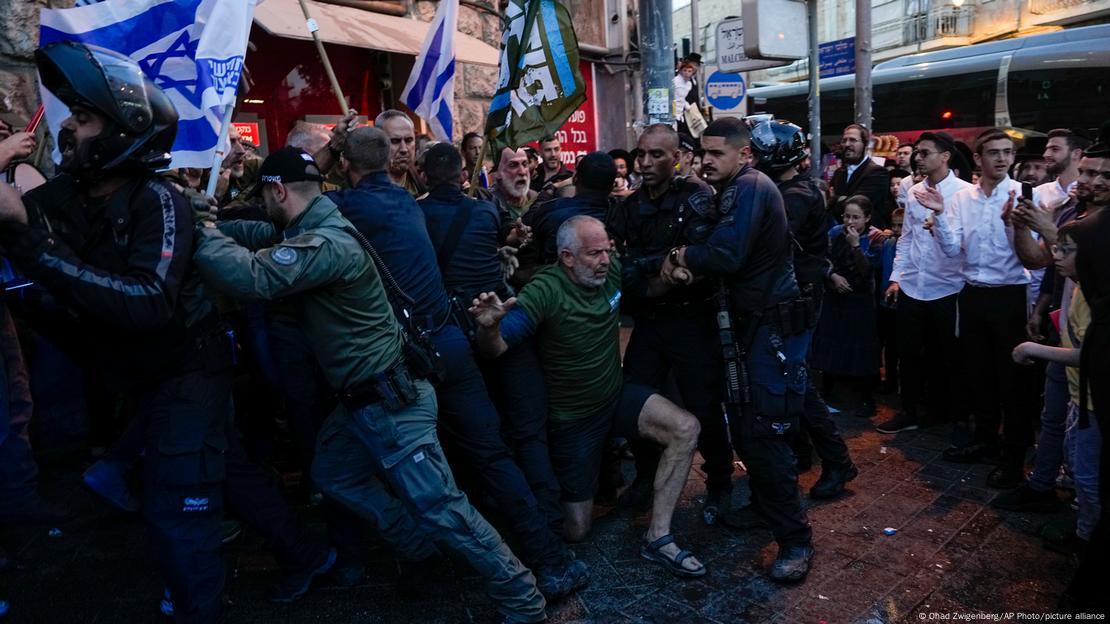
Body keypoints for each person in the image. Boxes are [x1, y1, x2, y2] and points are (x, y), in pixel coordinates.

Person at [190, 145, 548, 623]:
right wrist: (208, 221)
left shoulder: (329, 242)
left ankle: (522, 597)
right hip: (364, 400)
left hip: (390, 403)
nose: (267, 206)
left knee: (445, 509)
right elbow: (260, 232)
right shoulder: (313, 221)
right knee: (334, 474)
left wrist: (199, 234)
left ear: (277, 190)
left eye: (266, 195)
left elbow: (253, 275)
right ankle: (419, 547)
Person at [0, 41, 232, 622]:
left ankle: (197, 605)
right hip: (139, 383)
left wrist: (28, 238)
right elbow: (69, 294)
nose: (67, 130)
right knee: (198, 488)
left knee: (180, 513)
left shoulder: (160, 199)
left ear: (123, 129)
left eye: (82, 119)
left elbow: (147, 302)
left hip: (186, 375)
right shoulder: (71, 197)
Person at [329, 129, 589, 601]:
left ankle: (450, 556)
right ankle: (550, 556)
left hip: (419, 349)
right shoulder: (457, 209)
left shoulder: (366, 208)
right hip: (460, 339)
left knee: (434, 465)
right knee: (496, 450)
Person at [469, 215, 707, 579]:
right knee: (577, 530)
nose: (605, 260)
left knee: (685, 428)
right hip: (574, 420)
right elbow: (496, 348)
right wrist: (490, 328)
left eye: (607, 251)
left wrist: (669, 278)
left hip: (616, 396)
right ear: (567, 257)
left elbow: (645, 288)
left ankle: (659, 538)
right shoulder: (545, 289)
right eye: (594, 254)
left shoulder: (609, 273)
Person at [661, 117, 815, 582]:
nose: (705, 161)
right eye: (701, 153)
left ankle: (795, 540)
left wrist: (680, 257)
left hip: (770, 330)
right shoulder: (735, 189)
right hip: (751, 330)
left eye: (715, 154)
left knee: (765, 435)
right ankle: (770, 512)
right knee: (749, 431)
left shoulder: (750, 186)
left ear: (743, 154)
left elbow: (724, 254)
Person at [418, 143, 563, 539]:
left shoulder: (416, 214)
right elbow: (509, 237)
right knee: (528, 428)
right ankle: (549, 516)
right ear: (465, 173)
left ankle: (494, 517)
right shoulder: (483, 210)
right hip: (501, 317)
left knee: (478, 436)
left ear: (423, 174)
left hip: (455, 331)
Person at [606, 124, 732, 522]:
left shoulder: (695, 198)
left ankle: (719, 485)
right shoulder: (628, 207)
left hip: (692, 323)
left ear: (676, 157)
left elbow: (699, 261)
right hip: (650, 322)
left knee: (705, 407)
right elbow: (621, 270)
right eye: (641, 154)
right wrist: (660, 270)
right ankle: (645, 476)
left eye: (656, 155)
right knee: (636, 402)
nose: (644, 163)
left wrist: (658, 272)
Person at [923, 128, 1042, 488]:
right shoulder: (963, 198)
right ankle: (985, 440)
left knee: (1013, 381)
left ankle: (1013, 456)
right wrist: (940, 216)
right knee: (979, 374)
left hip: (1010, 294)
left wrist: (1011, 225)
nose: (1003, 158)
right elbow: (951, 249)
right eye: (994, 152)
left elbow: (1032, 255)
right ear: (978, 158)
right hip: (972, 293)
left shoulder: (1022, 195)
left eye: (1008, 152)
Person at [746, 118, 858, 500]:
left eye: (758, 151)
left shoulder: (794, 195)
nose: (753, 158)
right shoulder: (789, 187)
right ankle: (805, 452)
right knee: (794, 379)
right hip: (795, 294)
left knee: (794, 381)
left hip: (797, 298)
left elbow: (768, 242)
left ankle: (837, 459)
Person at [995, 141, 1106, 512]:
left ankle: (1081, 509)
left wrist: (1049, 228)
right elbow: (1039, 260)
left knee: (1088, 431)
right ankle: (1043, 485)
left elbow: (1094, 265)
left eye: (1105, 175)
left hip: (1097, 342)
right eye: (1090, 173)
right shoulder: (1070, 211)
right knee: (1054, 416)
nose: (1094, 181)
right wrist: (1021, 228)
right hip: (1065, 329)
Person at [1012, 223, 1100, 553]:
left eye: (1066, 250)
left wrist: (1032, 349)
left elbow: (1092, 353)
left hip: (1092, 400)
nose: (1055, 254)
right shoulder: (1079, 288)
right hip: (1079, 396)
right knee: (1079, 465)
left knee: (1089, 478)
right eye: (1056, 247)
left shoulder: (1095, 295)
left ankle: (1088, 540)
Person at [877, 132, 973, 434]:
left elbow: (959, 246)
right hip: (912, 285)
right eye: (917, 152)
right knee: (908, 353)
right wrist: (896, 278)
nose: (919, 157)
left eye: (925, 152)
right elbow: (906, 239)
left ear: (945, 156)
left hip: (948, 287)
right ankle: (908, 410)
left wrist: (939, 219)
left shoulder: (964, 193)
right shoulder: (912, 189)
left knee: (946, 356)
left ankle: (948, 413)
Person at [809, 196, 884, 418]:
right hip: (836, 297)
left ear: (867, 218)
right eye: (846, 216)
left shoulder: (874, 238)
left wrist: (855, 246)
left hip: (860, 300)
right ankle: (827, 389)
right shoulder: (834, 233)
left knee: (861, 348)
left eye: (856, 217)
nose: (850, 222)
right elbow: (822, 259)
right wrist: (832, 276)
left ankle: (865, 397)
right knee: (831, 342)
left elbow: (869, 270)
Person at [517, 152, 617, 284]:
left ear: (575, 179)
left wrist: (548, 191)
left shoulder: (552, 210)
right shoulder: (622, 214)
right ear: (612, 186)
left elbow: (526, 226)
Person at [830, 124, 892, 228]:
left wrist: (835, 199)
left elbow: (859, 206)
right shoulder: (839, 173)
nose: (847, 144)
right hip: (842, 235)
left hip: (869, 237)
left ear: (865, 144)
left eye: (853, 140)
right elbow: (830, 205)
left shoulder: (878, 172)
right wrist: (839, 199)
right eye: (844, 140)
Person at [375, 109, 426, 197]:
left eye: (408, 140)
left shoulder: (425, 183)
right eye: (395, 141)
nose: (404, 149)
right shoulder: (367, 189)